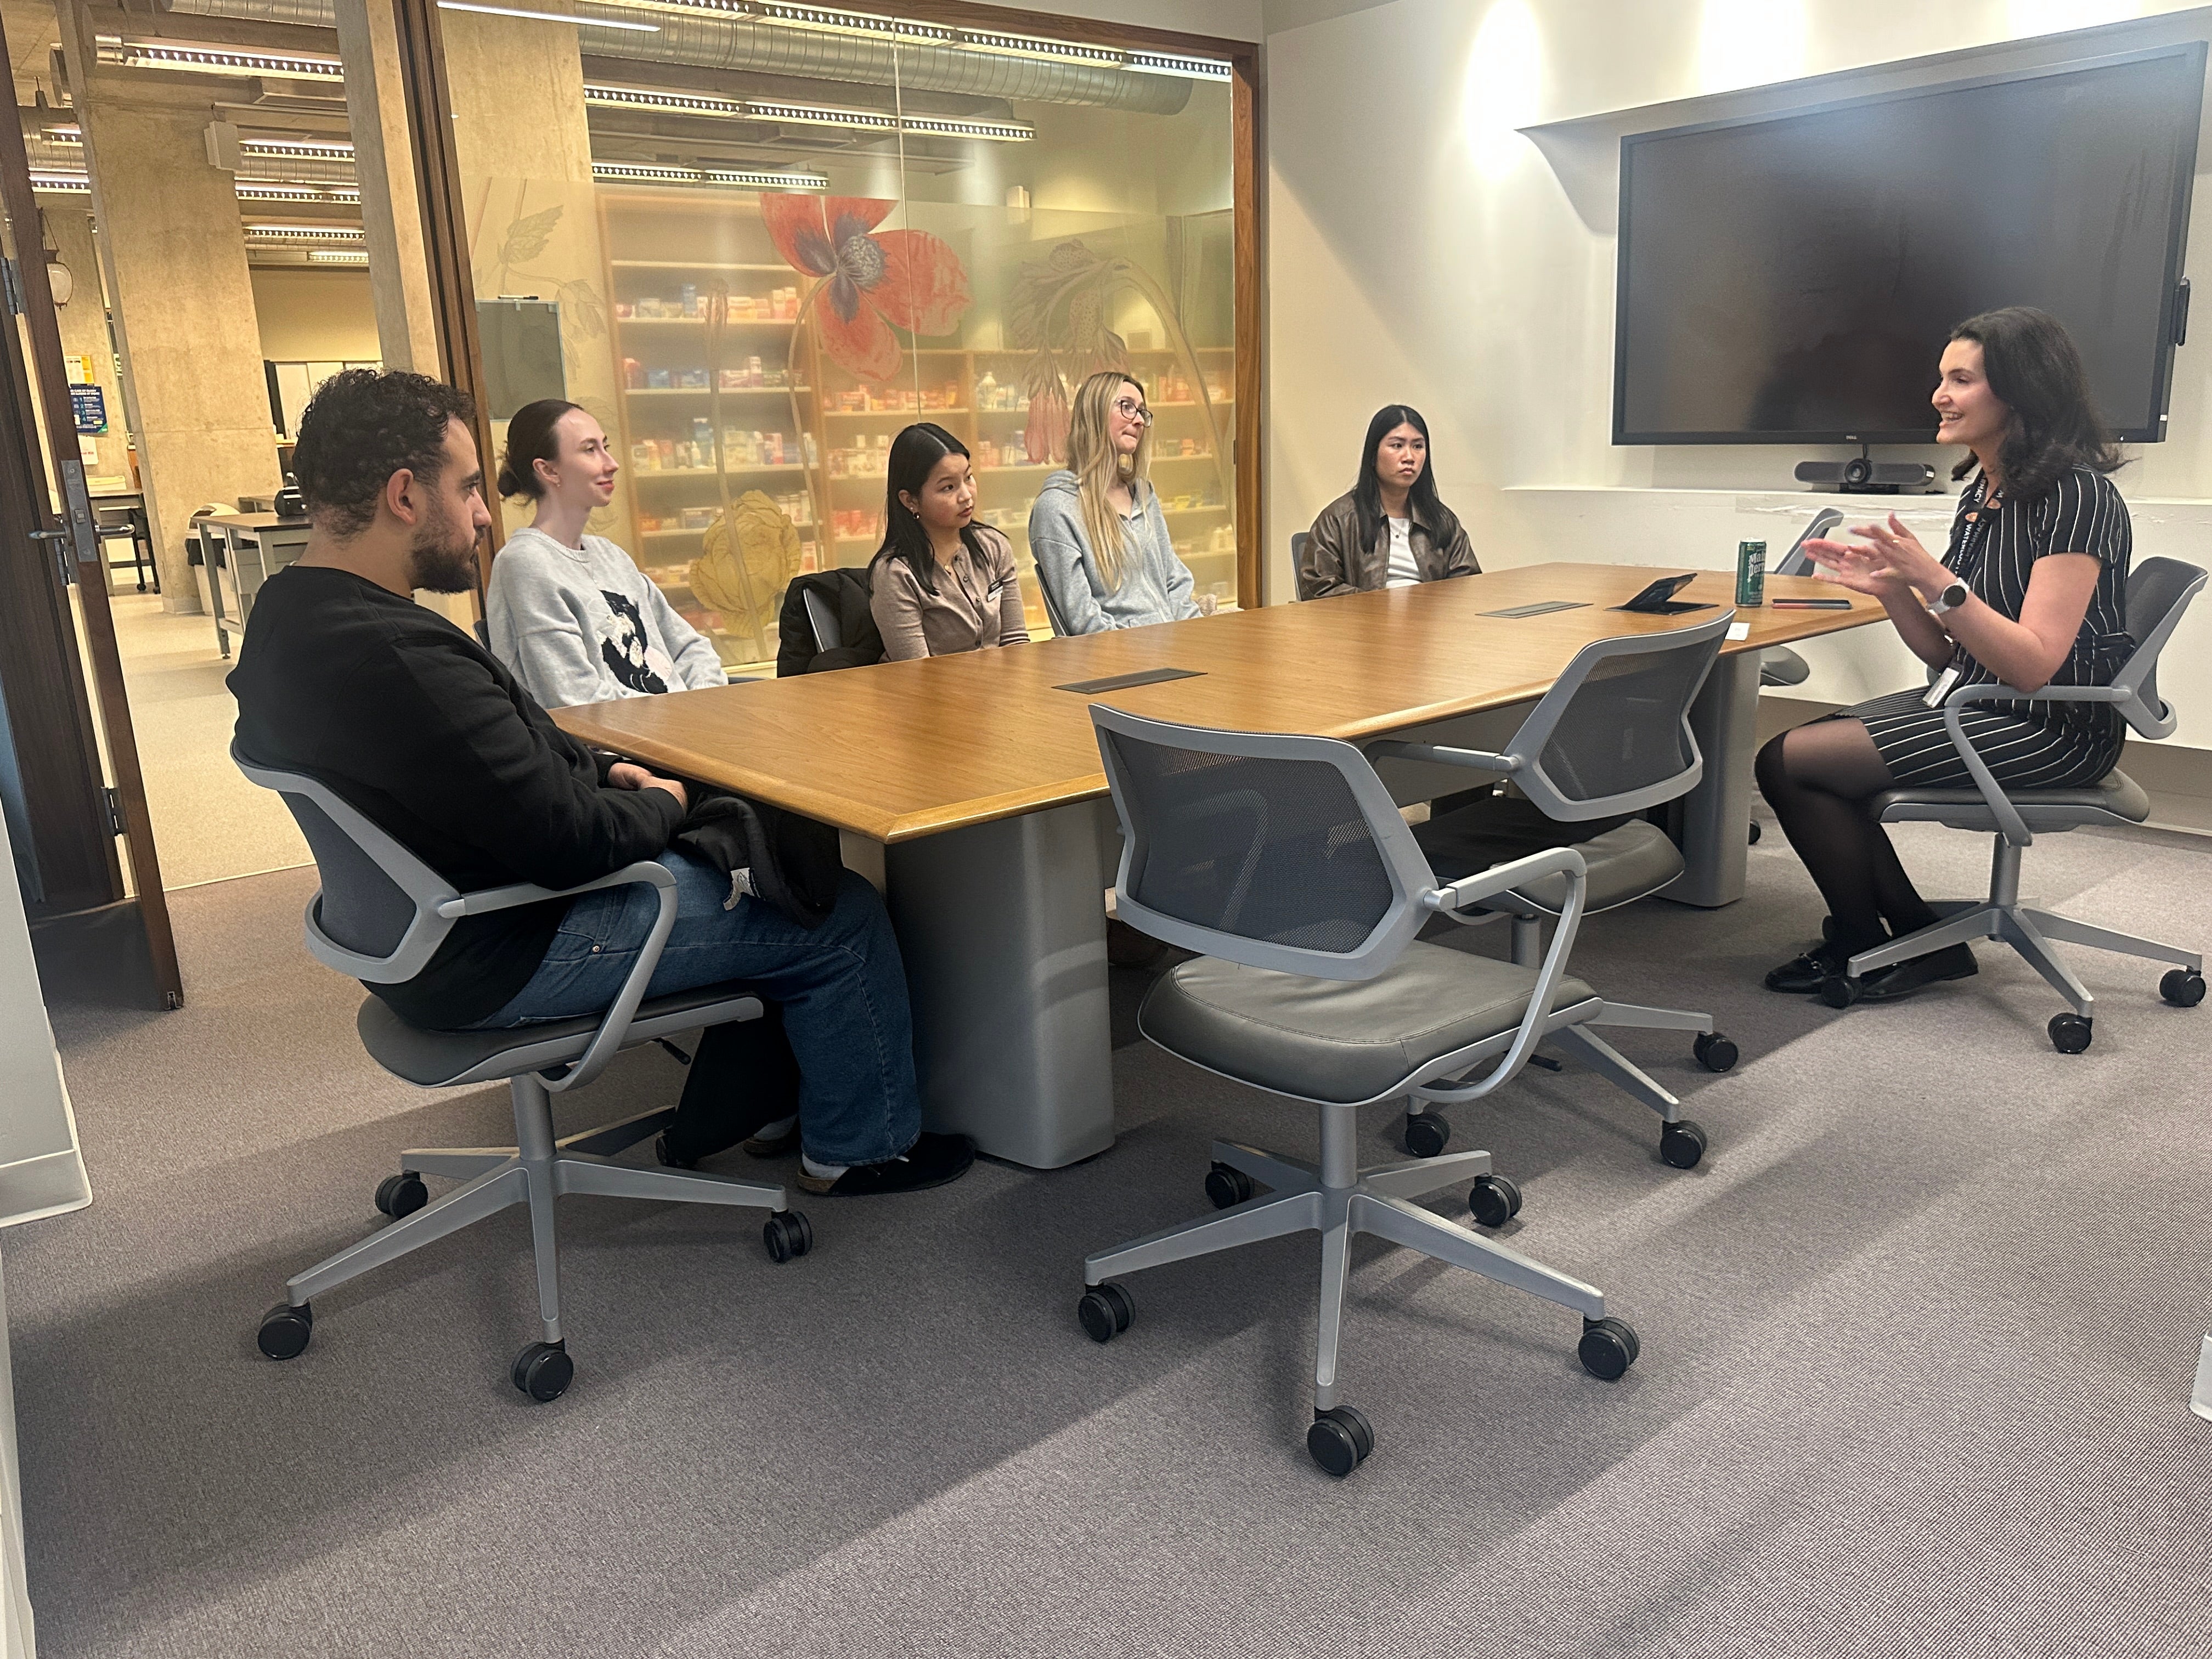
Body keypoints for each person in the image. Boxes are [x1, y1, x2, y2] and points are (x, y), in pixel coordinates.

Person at [228, 369, 970, 1197]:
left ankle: (769, 1104)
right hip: (507, 939)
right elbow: (572, 840)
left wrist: (598, 766)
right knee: (833, 907)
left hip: (422, 934)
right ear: (404, 495)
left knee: (764, 868)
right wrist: (662, 800)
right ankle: (859, 1151)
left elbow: (502, 748)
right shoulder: (401, 653)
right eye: (469, 487)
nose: (482, 513)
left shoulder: (292, 618)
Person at [1757, 307, 2134, 1002]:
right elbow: (1943, 649)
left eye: (1960, 379)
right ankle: (1896, 938)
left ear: (2021, 392)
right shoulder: (1983, 493)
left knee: (1788, 761)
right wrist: (1895, 589)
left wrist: (1934, 578)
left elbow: (2033, 665)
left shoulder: (2078, 498)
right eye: (1942, 378)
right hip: (1975, 697)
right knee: (1805, 752)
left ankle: (1873, 940)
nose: (1939, 394)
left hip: (2053, 724)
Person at [486, 398, 729, 709]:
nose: (611, 463)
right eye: (590, 450)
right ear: (548, 470)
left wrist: (704, 708)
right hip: (623, 752)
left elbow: (690, 648)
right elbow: (578, 703)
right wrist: (683, 723)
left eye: (605, 446)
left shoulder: (611, 555)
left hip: (684, 732)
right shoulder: (525, 563)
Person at [1029, 370, 1201, 634]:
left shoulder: (1143, 494)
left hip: (1173, 644)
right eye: (1127, 407)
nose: (1139, 421)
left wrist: (1200, 635)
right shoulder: (1057, 507)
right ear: (1094, 412)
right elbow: (1082, 619)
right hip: (1121, 660)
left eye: (1142, 412)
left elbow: (1174, 580)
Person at [869, 423, 1029, 659]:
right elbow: (916, 673)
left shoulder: (994, 547)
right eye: (948, 488)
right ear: (910, 500)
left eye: (969, 478)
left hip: (998, 691)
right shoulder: (895, 574)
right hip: (932, 694)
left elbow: (1017, 644)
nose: (966, 495)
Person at [1297, 404, 1479, 599]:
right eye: (1397, 446)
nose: (1409, 457)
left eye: (1418, 446)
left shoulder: (1442, 520)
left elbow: (1467, 583)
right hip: (1366, 624)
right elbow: (1319, 589)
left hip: (1429, 624)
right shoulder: (1339, 519)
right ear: (1373, 455)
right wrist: (1382, 607)